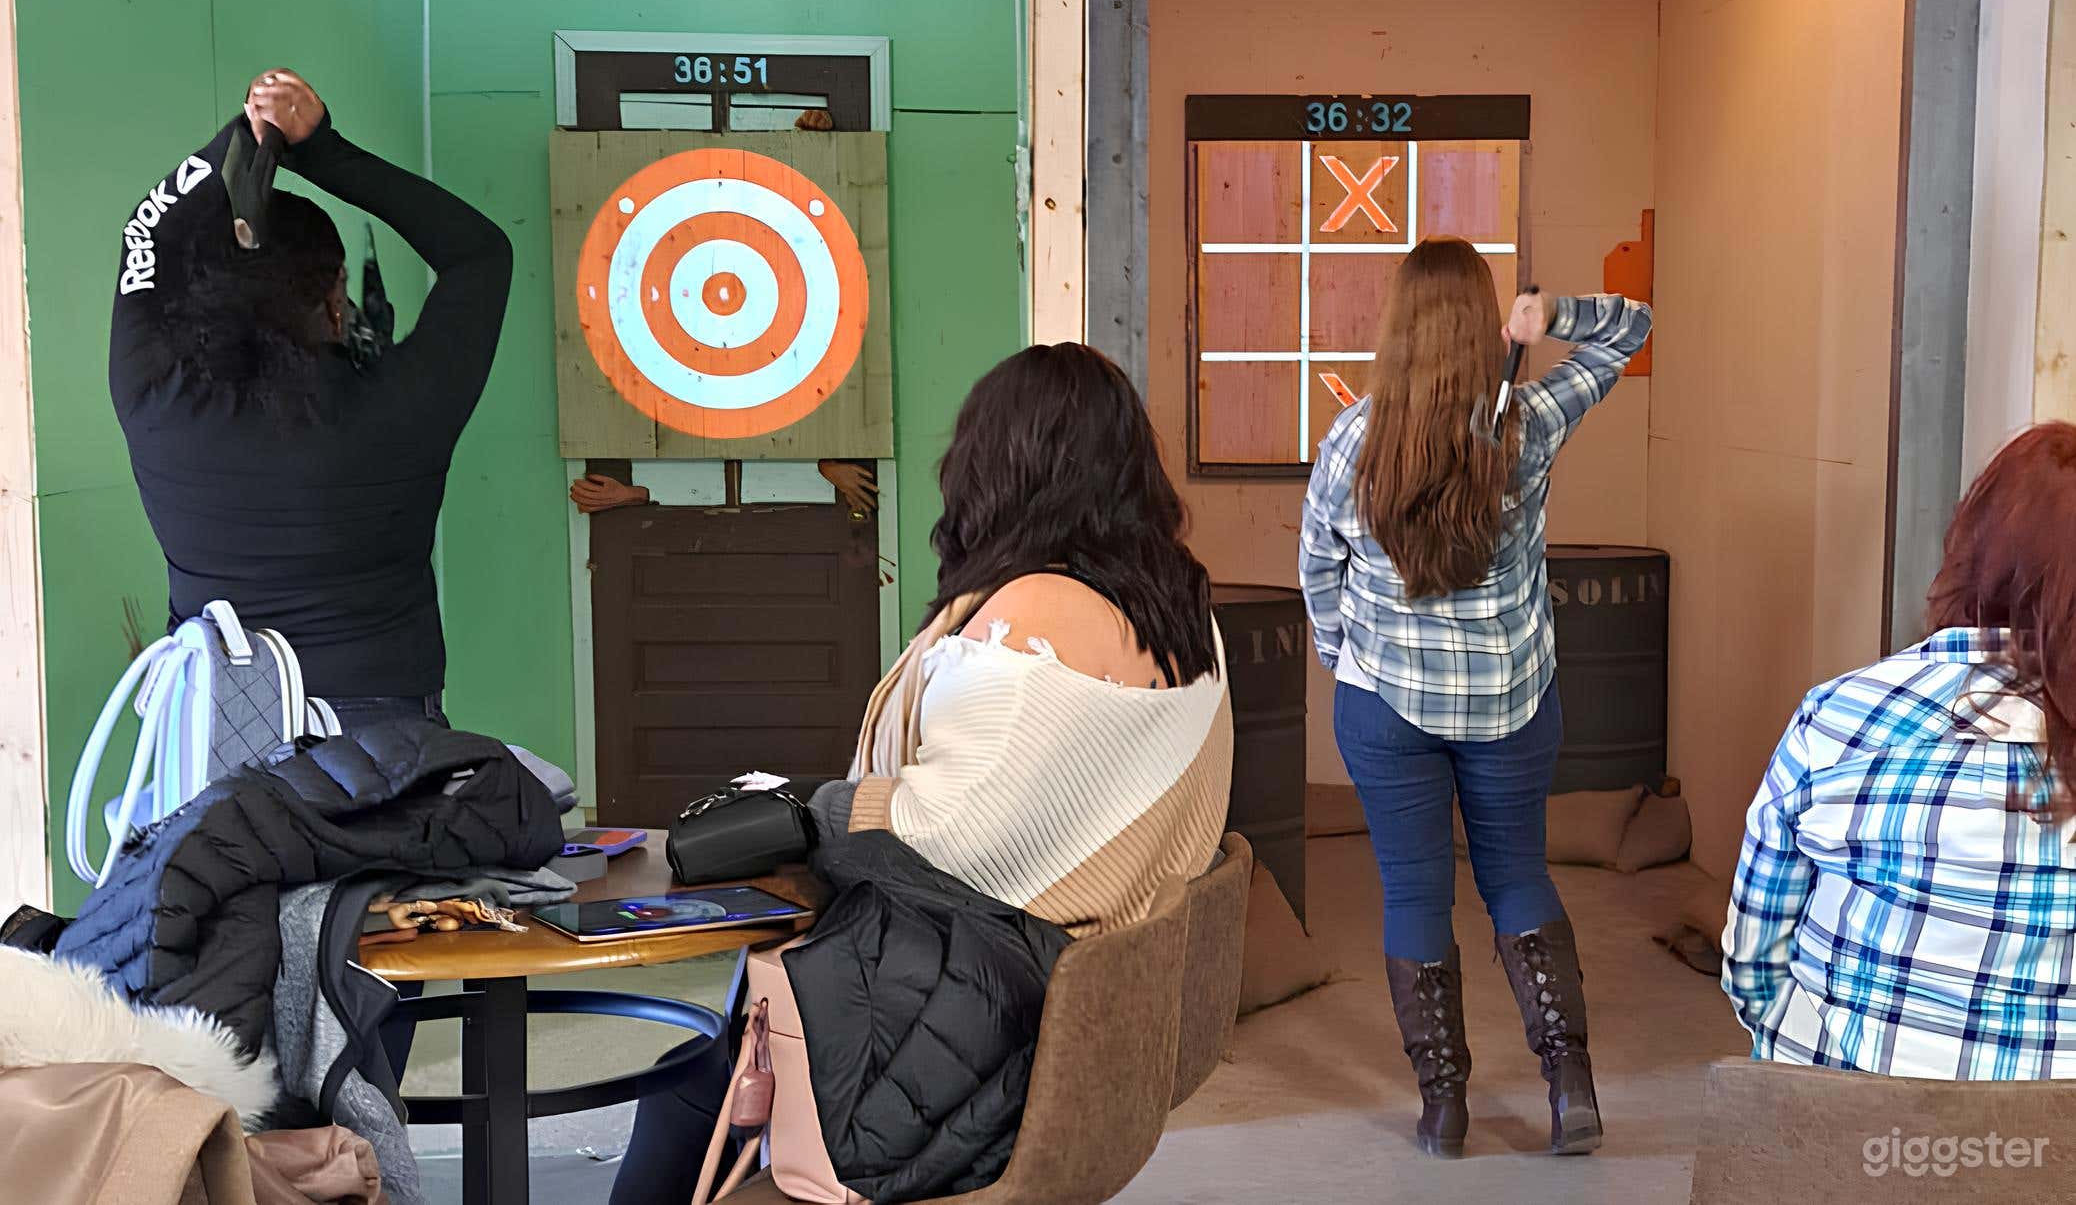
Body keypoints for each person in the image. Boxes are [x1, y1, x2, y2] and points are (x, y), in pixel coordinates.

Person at [610, 341, 1234, 1205]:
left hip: (985, 1035)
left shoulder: (1034, 608)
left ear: (999, 466)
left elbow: (948, 831)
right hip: (1080, 1020)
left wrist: (816, 811)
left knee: (684, 1084)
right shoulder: (1179, 607)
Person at [1300, 237, 1651, 1159]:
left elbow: (1316, 569)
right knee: (1518, 879)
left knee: (1414, 893)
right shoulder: (1528, 421)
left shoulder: (1354, 439)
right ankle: (1571, 1088)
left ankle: (1444, 1108)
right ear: (1485, 324)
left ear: (1400, 331)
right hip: (1513, 704)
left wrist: (1345, 657)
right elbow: (1634, 331)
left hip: (1386, 710)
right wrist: (1559, 317)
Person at [111, 68, 512, 731]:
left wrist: (244, 147)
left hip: (212, 734)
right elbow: (480, 254)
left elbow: (144, 236)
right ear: (333, 298)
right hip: (385, 741)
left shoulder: (155, 396)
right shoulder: (401, 406)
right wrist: (315, 148)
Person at [1724, 421, 2076, 1078]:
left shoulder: (1844, 714)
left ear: (1971, 549)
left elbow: (1753, 964)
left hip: (1839, 1128)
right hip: (2046, 1157)